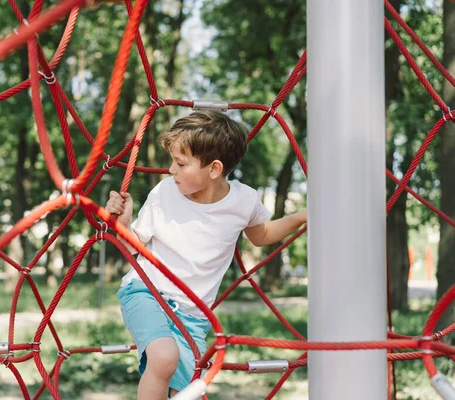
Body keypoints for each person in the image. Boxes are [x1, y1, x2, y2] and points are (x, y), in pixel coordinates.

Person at [105, 110, 307, 400]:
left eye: (180, 163)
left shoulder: (244, 200)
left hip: (193, 314)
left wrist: (302, 216)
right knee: (163, 358)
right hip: (146, 291)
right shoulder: (164, 192)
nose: (171, 170)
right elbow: (136, 245)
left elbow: (261, 235)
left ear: (213, 169)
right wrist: (123, 226)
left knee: (184, 391)